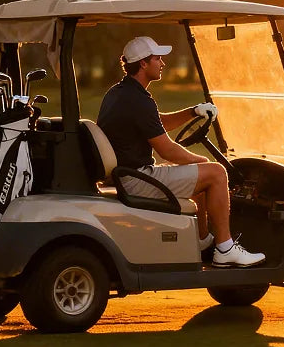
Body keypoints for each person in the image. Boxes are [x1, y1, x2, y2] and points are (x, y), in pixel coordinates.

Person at [97, 36, 265, 267]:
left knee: (201, 172)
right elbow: (167, 150)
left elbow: (156, 123)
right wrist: (201, 161)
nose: (163, 63)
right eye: (158, 58)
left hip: (128, 174)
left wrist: (193, 111)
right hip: (136, 179)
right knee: (215, 173)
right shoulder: (138, 100)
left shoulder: (120, 93)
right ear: (143, 64)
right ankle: (225, 249)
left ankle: (203, 241)